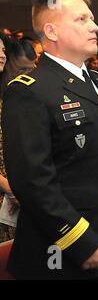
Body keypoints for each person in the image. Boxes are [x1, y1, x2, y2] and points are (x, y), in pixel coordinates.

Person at [1, 0, 98, 279]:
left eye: (93, 18)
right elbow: (32, 182)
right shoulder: (29, 90)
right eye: (82, 19)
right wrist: (79, 238)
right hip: (62, 251)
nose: (95, 26)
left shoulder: (97, 82)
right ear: (52, 30)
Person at [0, 33, 19, 244]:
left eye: (4, 50)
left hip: (11, 192)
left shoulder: (7, 93)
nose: (2, 55)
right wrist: (8, 186)